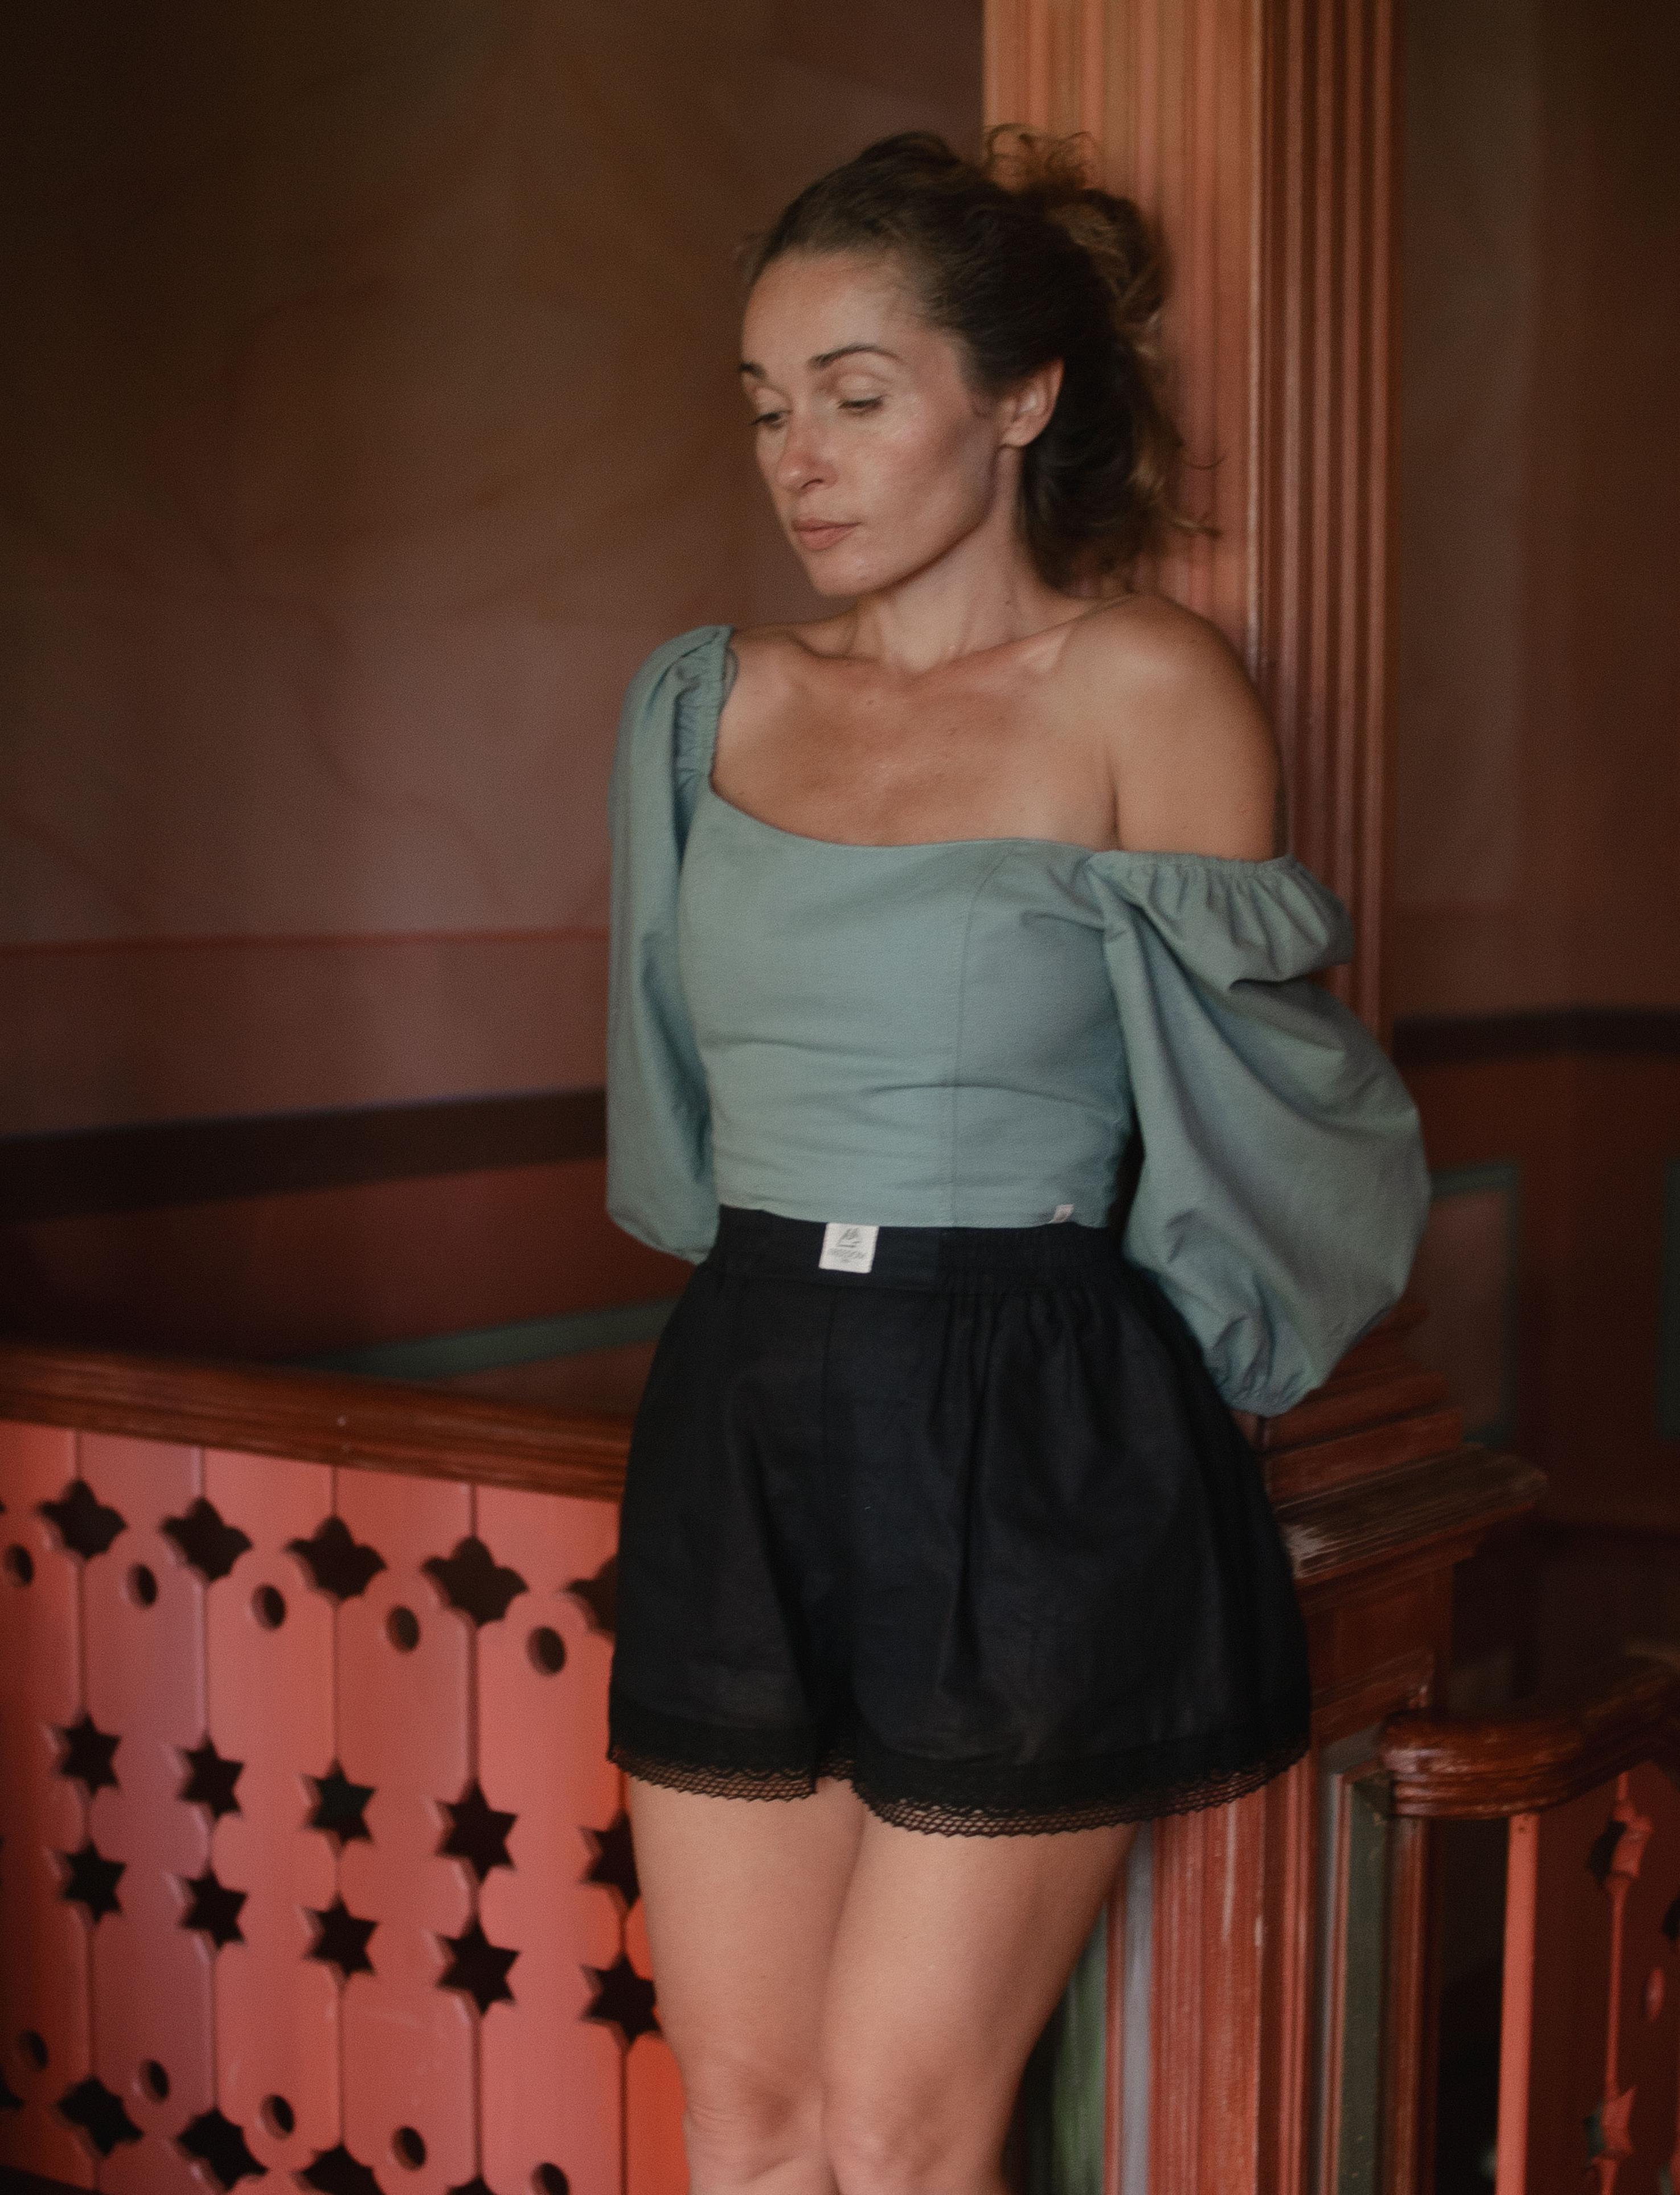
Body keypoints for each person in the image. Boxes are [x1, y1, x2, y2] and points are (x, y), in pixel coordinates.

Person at [601, 128, 1430, 2195]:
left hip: (1034, 1409)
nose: (799, 460)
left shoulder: (1144, 683)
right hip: (746, 1390)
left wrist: (1149, 1401)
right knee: (749, 2124)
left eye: (857, 397)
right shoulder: (702, 702)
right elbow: (664, 1073)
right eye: (768, 407)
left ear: (1024, 397)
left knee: (905, 2135)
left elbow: (1257, 1112)